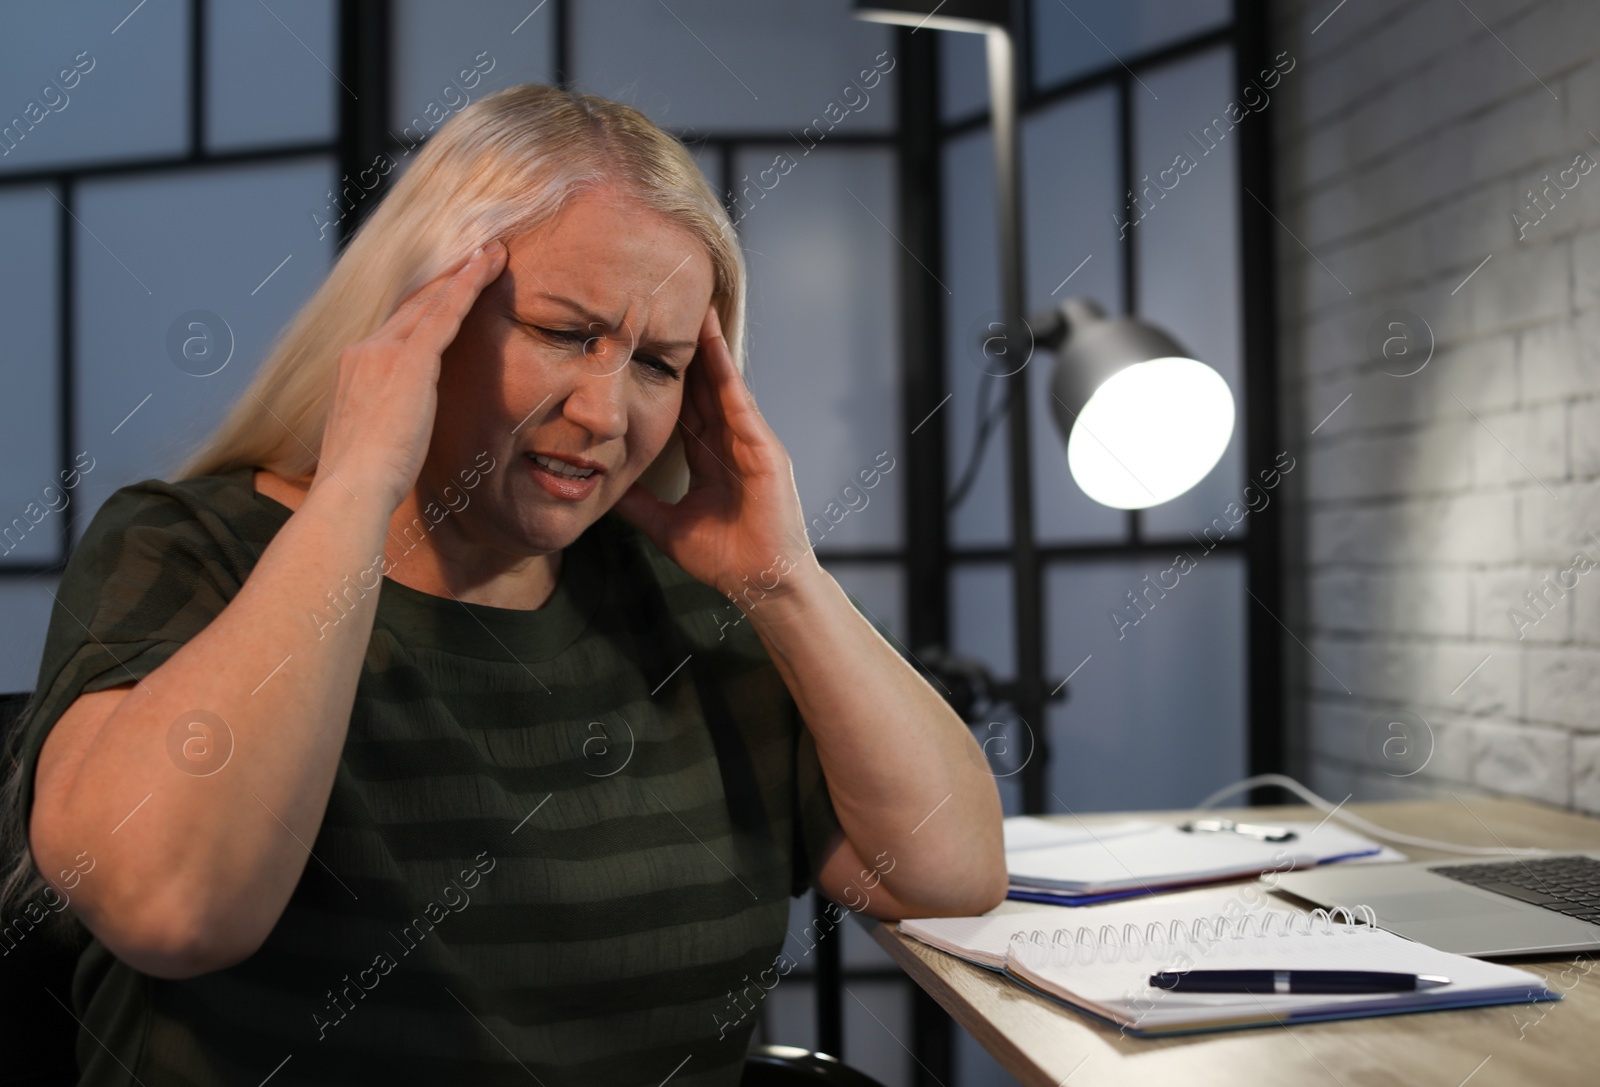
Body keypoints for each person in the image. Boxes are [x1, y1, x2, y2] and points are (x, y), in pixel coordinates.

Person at [0, 84, 1006, 1086]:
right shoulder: (191, 547)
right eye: (567, 334)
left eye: (656, 361)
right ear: (420, 320)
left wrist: (786, 582)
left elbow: (948, 875)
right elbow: (175, 909)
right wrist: (355, 488)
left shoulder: (697, 600)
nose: (607, 412)